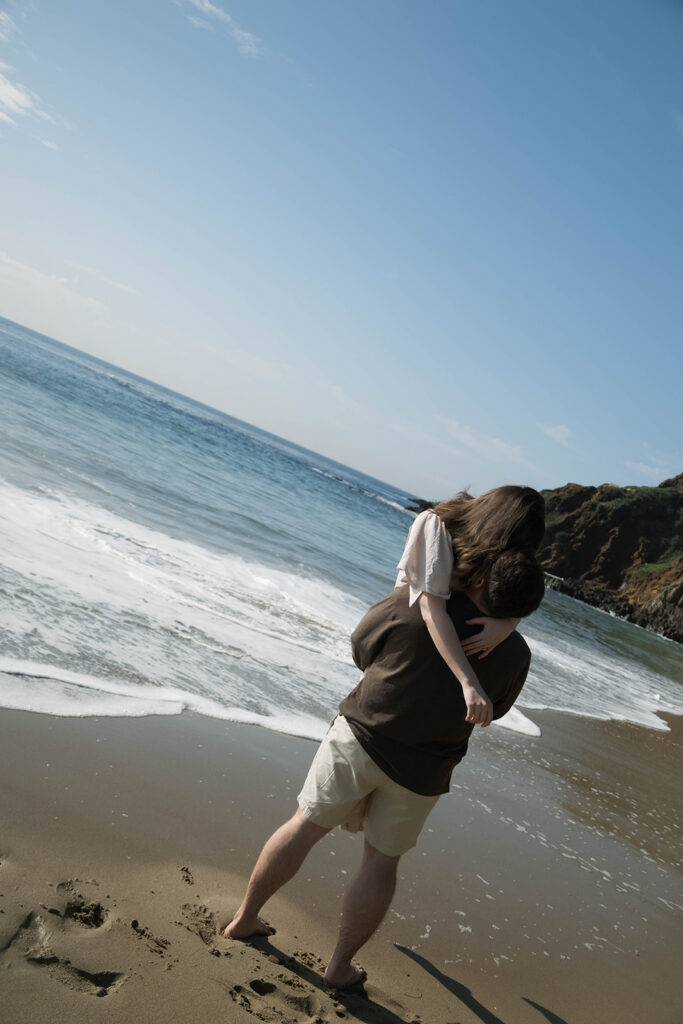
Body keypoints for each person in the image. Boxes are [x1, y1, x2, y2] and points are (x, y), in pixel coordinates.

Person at [223, 487, 545, 990]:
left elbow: (360, 647)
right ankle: (338, 968)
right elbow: (495, 709)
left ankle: (245, 919)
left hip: (362, 732)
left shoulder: (414, 602)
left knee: (305, 825)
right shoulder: (514, 650)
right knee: (381, 863)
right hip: (423, 770)